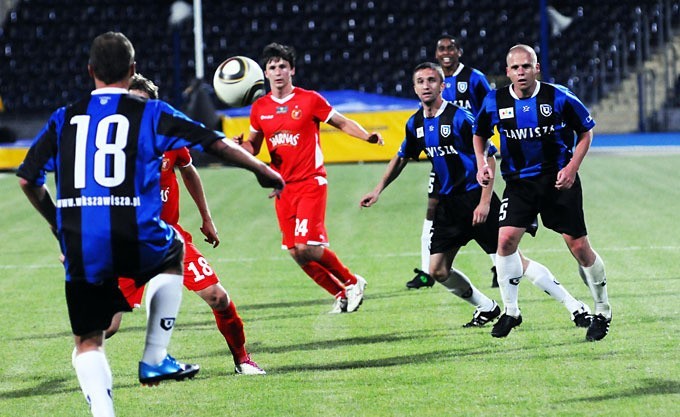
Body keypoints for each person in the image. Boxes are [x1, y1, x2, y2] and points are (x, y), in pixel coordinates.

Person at [16, 32, 283, 417]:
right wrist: (261, 169)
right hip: (143, 235)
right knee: (168, 253)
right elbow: (216, 142)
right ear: (132, 69)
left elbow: (27, 178)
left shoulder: (64, 119)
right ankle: (156, 356)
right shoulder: (152, 116)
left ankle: (238, 360)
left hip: (85, 240)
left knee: (91, 339)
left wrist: (61, 229)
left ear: (90, 70)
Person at [361, 62, 592, 329]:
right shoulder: (415, 124)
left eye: (432, 80)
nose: (426, 86)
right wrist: (377, 190)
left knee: (516, 261)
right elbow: (401, 157)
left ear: (442, 85)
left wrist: (484, 202)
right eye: (421, 81)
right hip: (448, 206)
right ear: (414, 88)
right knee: (437, 270)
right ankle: (486, 306)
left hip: (475, 199)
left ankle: (575, 306)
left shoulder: (460, 117)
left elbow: (488, 155)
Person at [105, 73, 265, 376]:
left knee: (218, 297)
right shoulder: (110, 149)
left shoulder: (169, 139)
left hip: (169, 238)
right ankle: (85, 360)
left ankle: (242, 359)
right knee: (108, 326)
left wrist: (206, 218)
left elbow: (190, 170)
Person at [473, 44, 611, 341]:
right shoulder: (494, 101)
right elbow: (480, 134)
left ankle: (603, 310)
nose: (521, 72)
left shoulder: (558, 96)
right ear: (507, 71)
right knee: (505, 241)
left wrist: (572, 167)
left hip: (559, 181)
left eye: (527, 66)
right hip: (519, 183)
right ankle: (511, 311)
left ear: (537, 68)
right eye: (515, 68)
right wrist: (481, 163)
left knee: (579, 248)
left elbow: (585, 132)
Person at [235, 42, 383, 314]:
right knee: (295, 252)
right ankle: (339, 292)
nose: (278, 71)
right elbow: (253, 148)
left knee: (308, 246)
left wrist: (367, 136)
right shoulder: (260, 108)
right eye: (272, 67)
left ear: (292, 69)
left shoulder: (309, 99)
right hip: (282, 188)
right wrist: (239, 146)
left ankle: (352, 282)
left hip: (311, 182)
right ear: (265, 74)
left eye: (282, 66)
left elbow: (341, 121)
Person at [406, 33, 496, 290]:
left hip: (470, 149)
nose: (446, 52)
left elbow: (489, 106)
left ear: (459, 51)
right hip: (443, 159)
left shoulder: (474, 78)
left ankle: (496, 263)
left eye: (450, 48)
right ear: (436, 54)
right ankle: (427, 271)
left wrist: (483, 138)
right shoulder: (429, 85)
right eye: (441, 48)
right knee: (432, 209)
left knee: (481, 216)